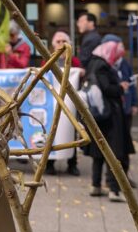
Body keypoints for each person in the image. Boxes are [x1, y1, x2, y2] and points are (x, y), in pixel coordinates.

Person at [84, 41, 128, 201]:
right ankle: (113, 189)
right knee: (113, 152)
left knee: (98, 152)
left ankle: (95, 185)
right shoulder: (102, 66)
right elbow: (107, 89)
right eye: (116, 54)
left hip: (98, 115)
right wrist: (121, 88)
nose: (116, 59)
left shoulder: (93, 63)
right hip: (109, 116)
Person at [103, 33, 137, 183]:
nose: (122, 49)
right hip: (113, 112)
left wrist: (135, 103)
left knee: (125, 145)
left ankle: (125, 175)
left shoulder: (125, 65)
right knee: (113, 146)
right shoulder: (105, 65)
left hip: (125, 109)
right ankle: (111, 177)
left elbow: (132, 85)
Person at [49, 30, 80, 176]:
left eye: (63, 41)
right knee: (51, 131)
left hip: (69, 103)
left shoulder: (74, 61)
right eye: (58, 42)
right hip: (52, 102)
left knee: (70, 131)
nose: (61, 44)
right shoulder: (48, 59)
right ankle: (49, 163)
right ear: (53, 45)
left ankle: (72, 164)